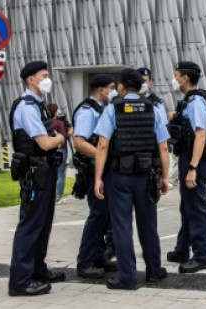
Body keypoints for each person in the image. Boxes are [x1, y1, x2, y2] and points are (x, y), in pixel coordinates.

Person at [92, 68, 171, 289]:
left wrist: (98, 178)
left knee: (122, 226)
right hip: (147, 176)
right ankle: (154, 271)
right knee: (148, 224)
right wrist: (165, 177)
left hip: (120, 176)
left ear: (122, 87)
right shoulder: (153, 109)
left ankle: (127, 277)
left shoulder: (112, 110)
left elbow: (103, 145)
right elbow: (163, 147)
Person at [8, 61, 66, 297]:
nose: (47, 79)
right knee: (31, 225)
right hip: (35, 172)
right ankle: (20, 281)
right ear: (31, 79)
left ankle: (37, 270)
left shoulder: (39, 104)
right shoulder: (27, 107)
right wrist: (61, 137)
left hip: (45, 169)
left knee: (42, 224)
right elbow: (44, 142)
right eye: (44, 75)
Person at [166, 61, 206, 273]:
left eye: (176, 75)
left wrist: (193, 167)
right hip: (196, 156)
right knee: (188, 205)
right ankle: (182, 249)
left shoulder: (196, 101)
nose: (175, 79)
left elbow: (200, 134)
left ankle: (202, 256)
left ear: (185, 77)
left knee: (197, 207)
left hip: (194, 159)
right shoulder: (199, 98)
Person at [73, 74, 119, 280]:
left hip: (103, 169)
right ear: (101, 90)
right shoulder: (87, 111)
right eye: (111, 87)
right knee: (97, 215)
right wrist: (102, 156)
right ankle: (85, 262)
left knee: (105, 215)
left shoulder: (102, 109)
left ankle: (99, 255)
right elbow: (80, 142)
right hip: (93, 170)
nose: (114, 90)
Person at [49, 103, 72, 204]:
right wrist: (70, 131)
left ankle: (51, 197)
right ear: (55, 111)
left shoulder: (47, 122)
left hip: (50, 149)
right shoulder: (59, 122)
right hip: (61, 149)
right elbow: (64, 137)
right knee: (61, 174)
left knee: (52, 173)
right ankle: (59, 196)